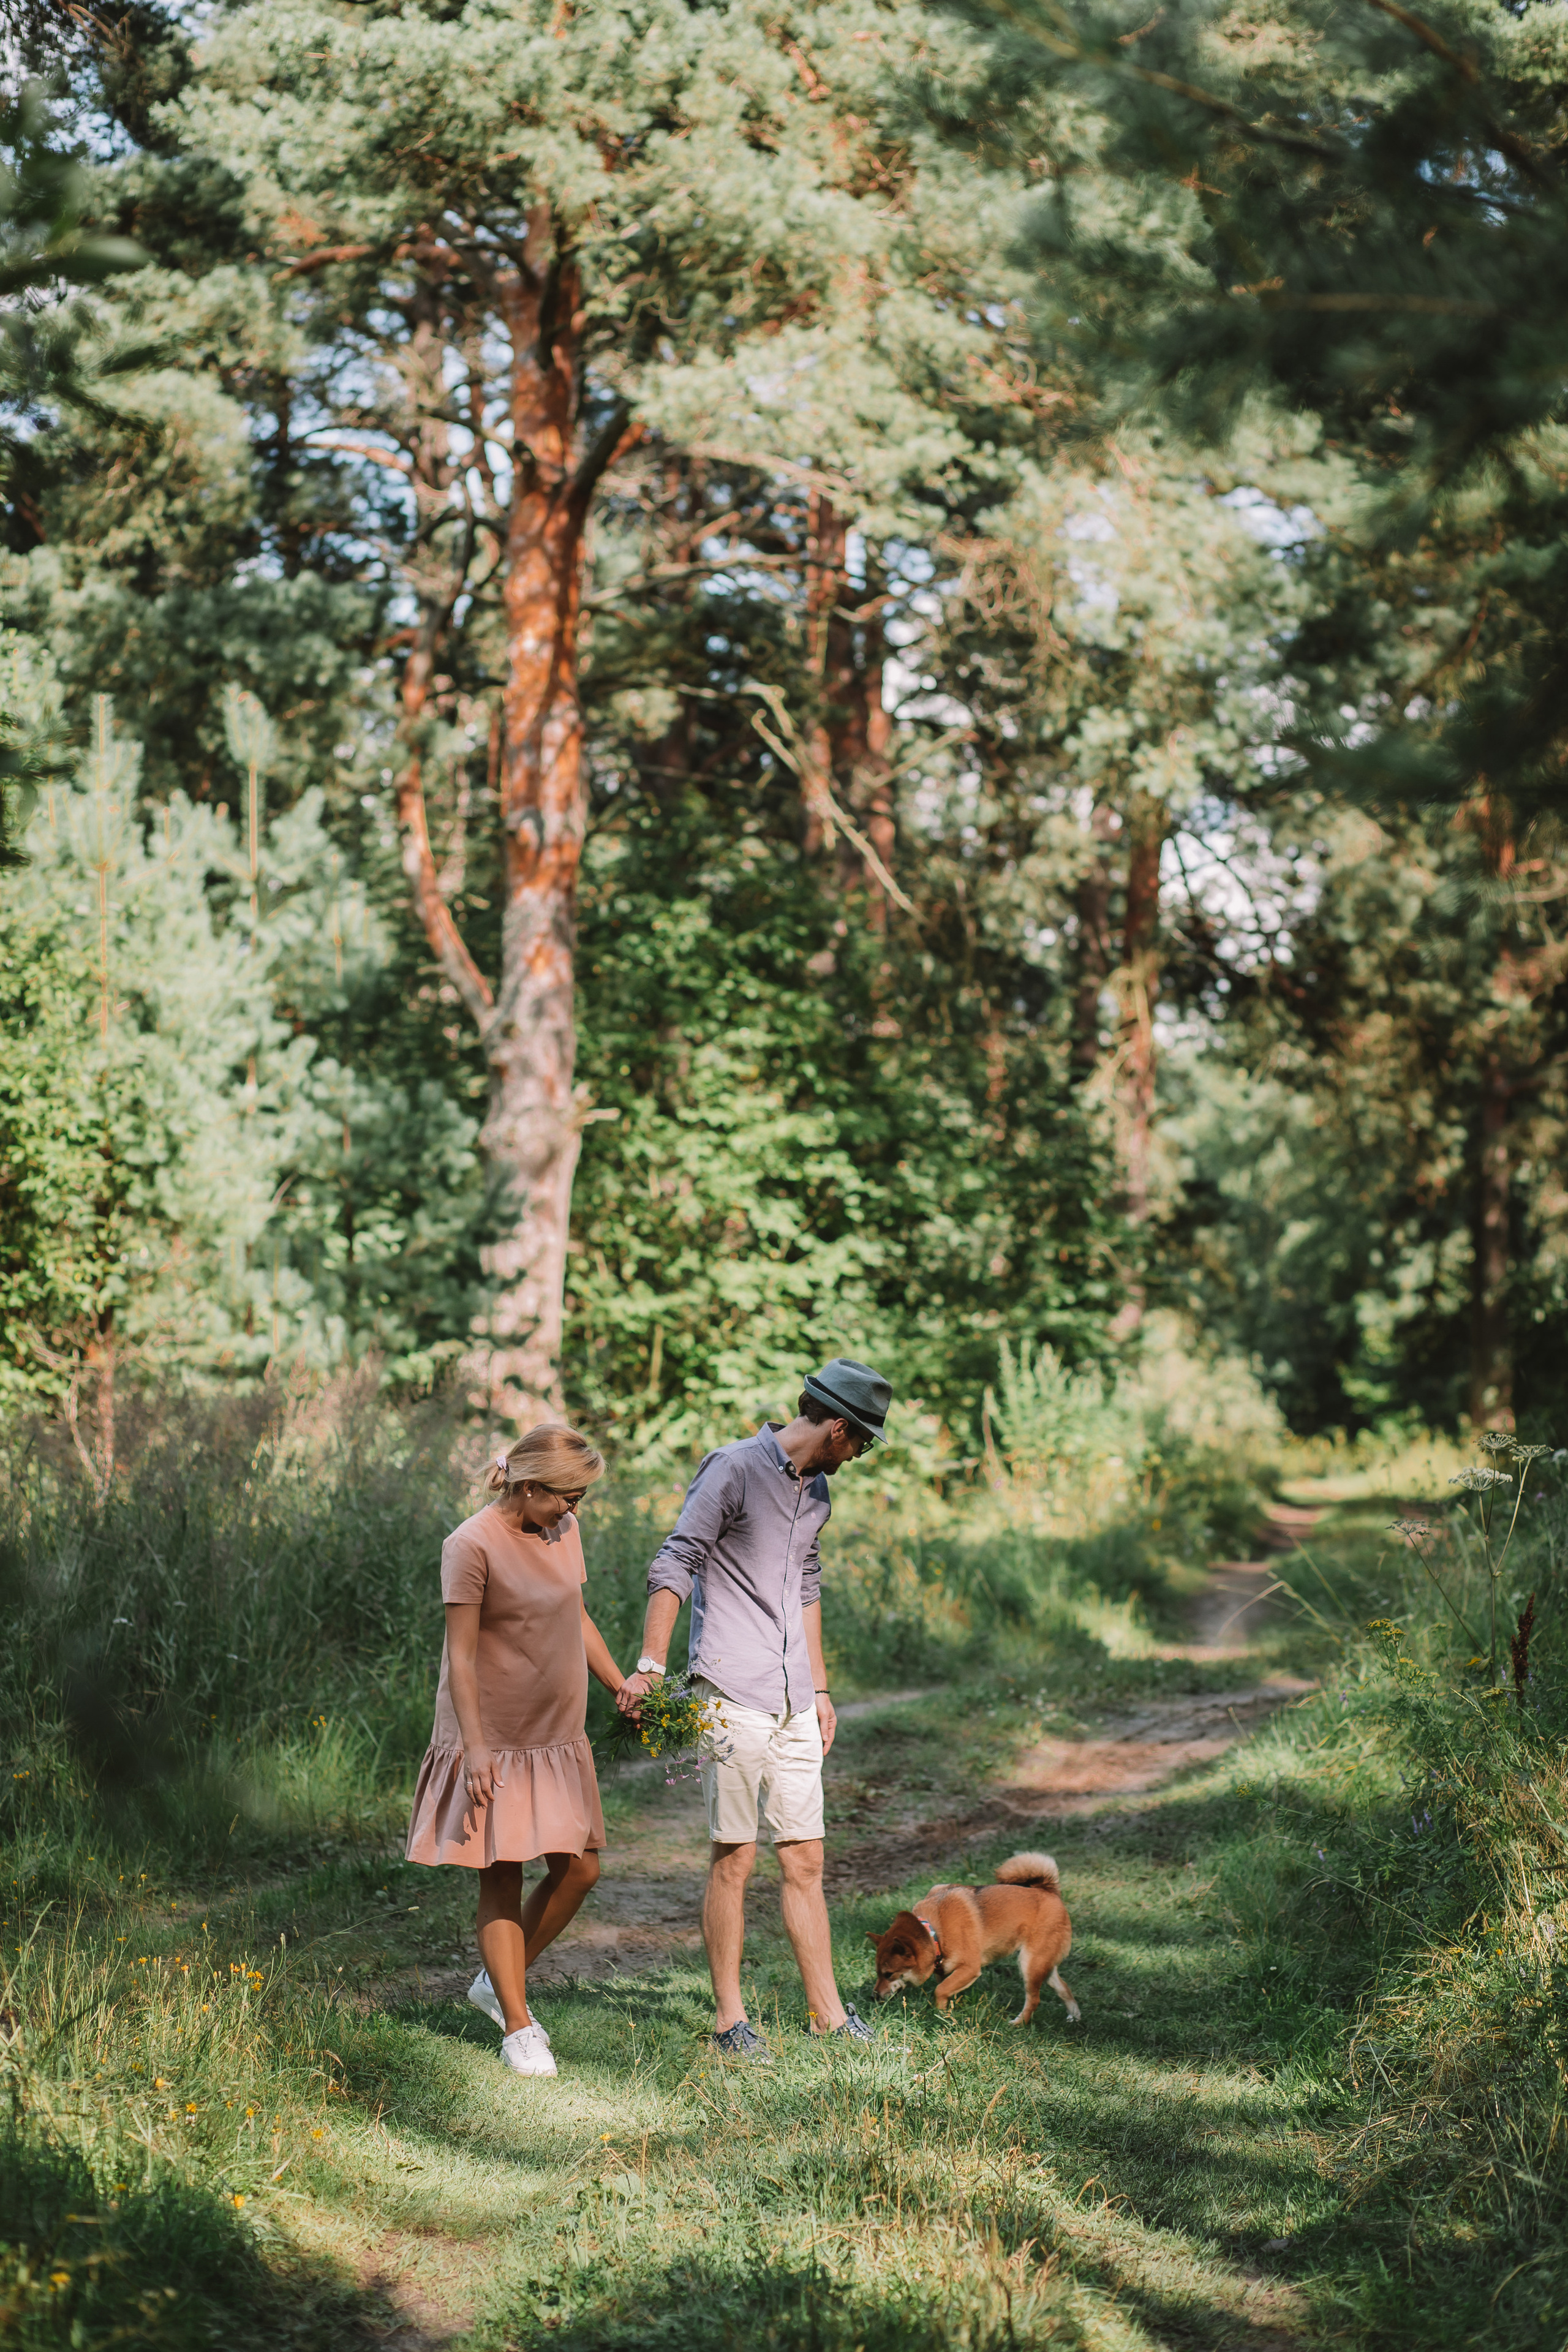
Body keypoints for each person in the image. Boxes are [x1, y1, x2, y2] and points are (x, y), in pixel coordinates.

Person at [616, 1357, 891, 2060]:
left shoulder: (819, 1491)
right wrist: (651, 1666)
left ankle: (827, 2015)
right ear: (837, 1426)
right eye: (860, 1441)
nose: (859, 1455)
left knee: (805, 1858)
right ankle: (729, 2021)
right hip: (730, 1687)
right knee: (734, 1855)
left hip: (794, 1696)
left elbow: (806, 1583)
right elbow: (675, 1561)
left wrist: (821, 1687)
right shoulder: (732, 1469)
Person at [405, 1425, 627, 2079]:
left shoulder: (563, 1530)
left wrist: (620, 1685)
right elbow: (462, 1657)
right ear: (529, 1487)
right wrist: (474, 1750)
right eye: (567, 1497)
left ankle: (497, 1982)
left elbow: (574, 1616)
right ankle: (519, 2025)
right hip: (493, 1735)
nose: (574, 1510)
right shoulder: (469, 1545)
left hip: (556, 1731)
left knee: (580, 1868)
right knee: (501, 1871)